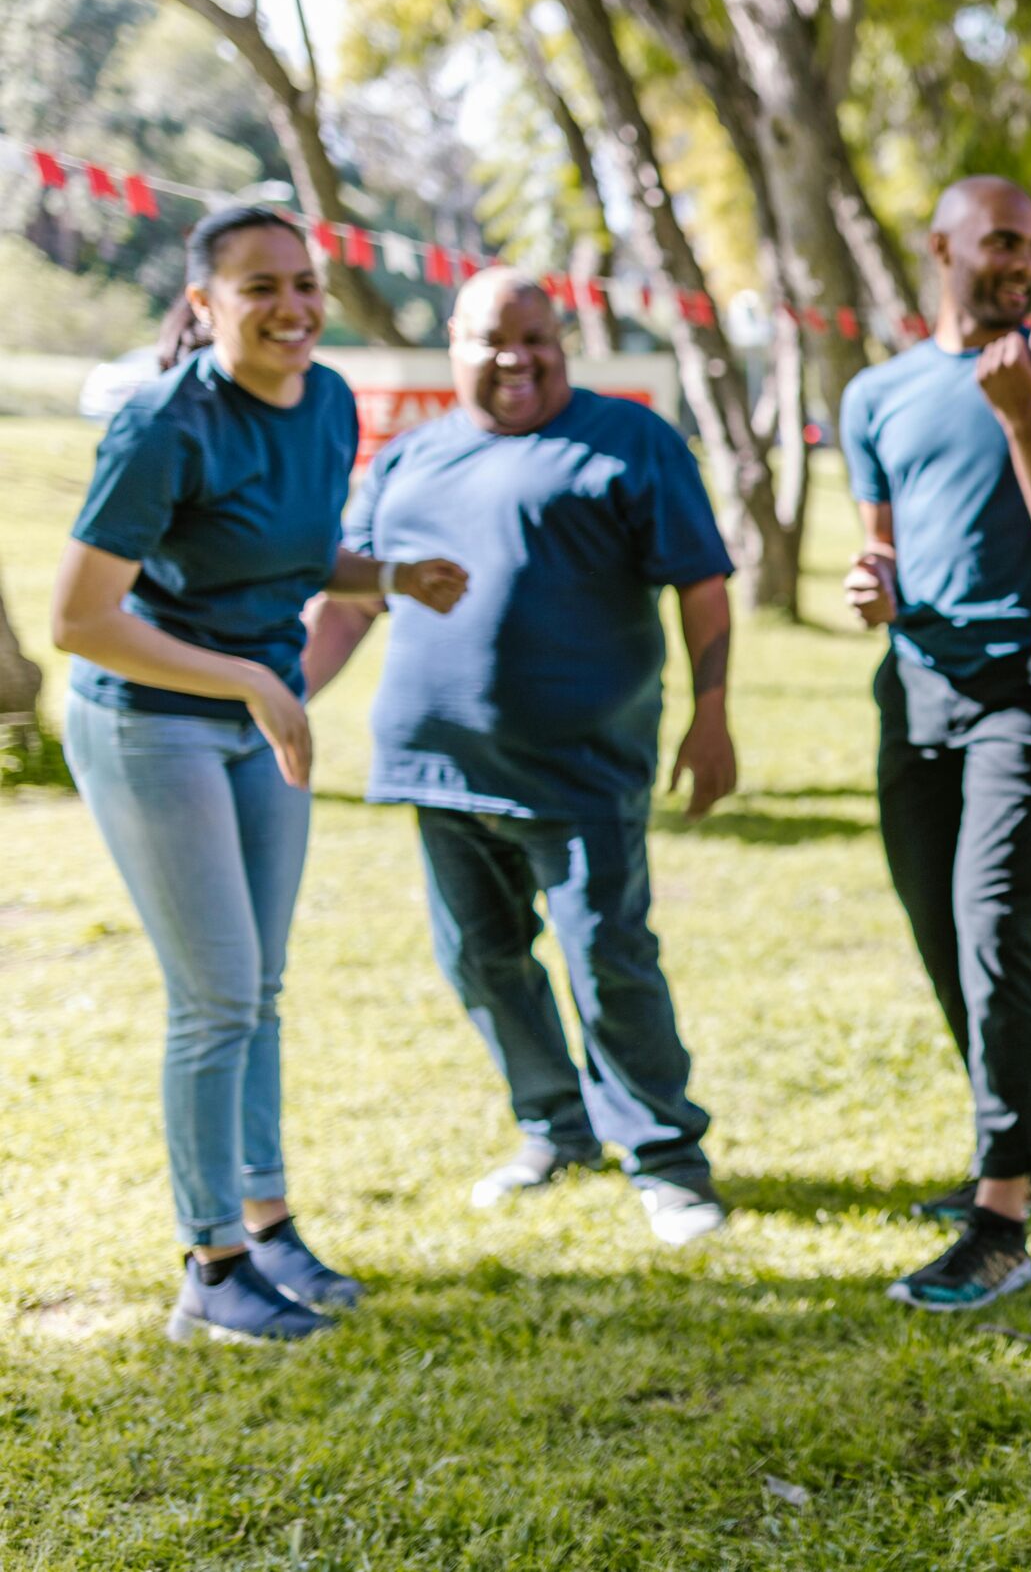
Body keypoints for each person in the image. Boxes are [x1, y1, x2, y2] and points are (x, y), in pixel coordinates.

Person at [51, 206, 468, 1341]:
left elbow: (275, 552)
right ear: (203, 304)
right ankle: (213, 1273)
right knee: (216, 998)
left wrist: (383, 576)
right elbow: (79, 621)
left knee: (259, 990)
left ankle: (270, 1229)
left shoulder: (329, 399)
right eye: (257, 289)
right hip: (153, 723)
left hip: (254, 720)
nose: (290, 307)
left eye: (303, 283)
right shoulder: (161, 423)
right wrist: (255, 682)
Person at [335, 268, 738, 1247]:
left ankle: (667, 1159)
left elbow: (702, 582)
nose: (518, 357)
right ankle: (555, 1128)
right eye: (493, 340)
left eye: (538, 337)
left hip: (583, 766)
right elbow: (351, 597)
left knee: (608, 956)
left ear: (563, 341)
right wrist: (279, 696)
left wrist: (712, 713)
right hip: (438, 766)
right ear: (455, 348)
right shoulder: (411, 458)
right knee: (480, 958)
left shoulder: (630, 440)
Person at [839, 176, 1031, 1310]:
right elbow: (883, 551)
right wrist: (874, 585)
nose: (1024, 262)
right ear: (943, 247)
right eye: (1004, 241)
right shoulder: (878, 393)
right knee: (938, 929)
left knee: (991, 921)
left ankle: (1000, 1209)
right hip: (913, 689)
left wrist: (1021, 417)